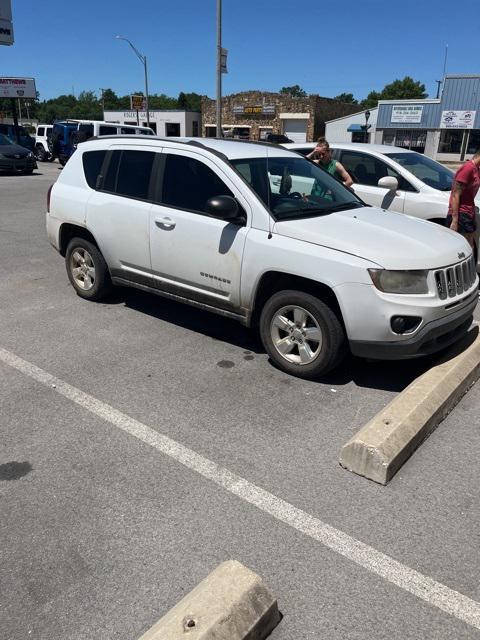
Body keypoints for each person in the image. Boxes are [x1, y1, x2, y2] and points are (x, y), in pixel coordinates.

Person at [446, 149, 480, 250]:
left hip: (468, 213)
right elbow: (455, 194)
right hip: (461, 214)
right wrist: (455, 220)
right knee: (462, 248)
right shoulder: (467, 168)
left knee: (469, 246)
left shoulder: (476, 169)